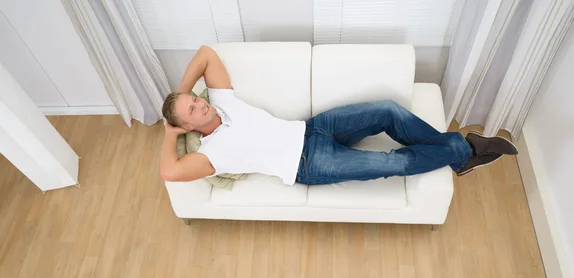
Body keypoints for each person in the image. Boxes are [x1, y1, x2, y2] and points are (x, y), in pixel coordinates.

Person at [159, 46, 517, 184]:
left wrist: (182, 94)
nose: (200, 104)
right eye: (192, 109)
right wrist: (170, 133)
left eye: (195, 99)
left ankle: (461, 157)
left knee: (389, 111)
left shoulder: (222, 102)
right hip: (309, 164)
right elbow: (169, 171)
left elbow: (205, 54)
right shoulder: (211, 154)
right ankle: (463, 151)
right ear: (188, 124)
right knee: (390, 163)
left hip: (314, 129)